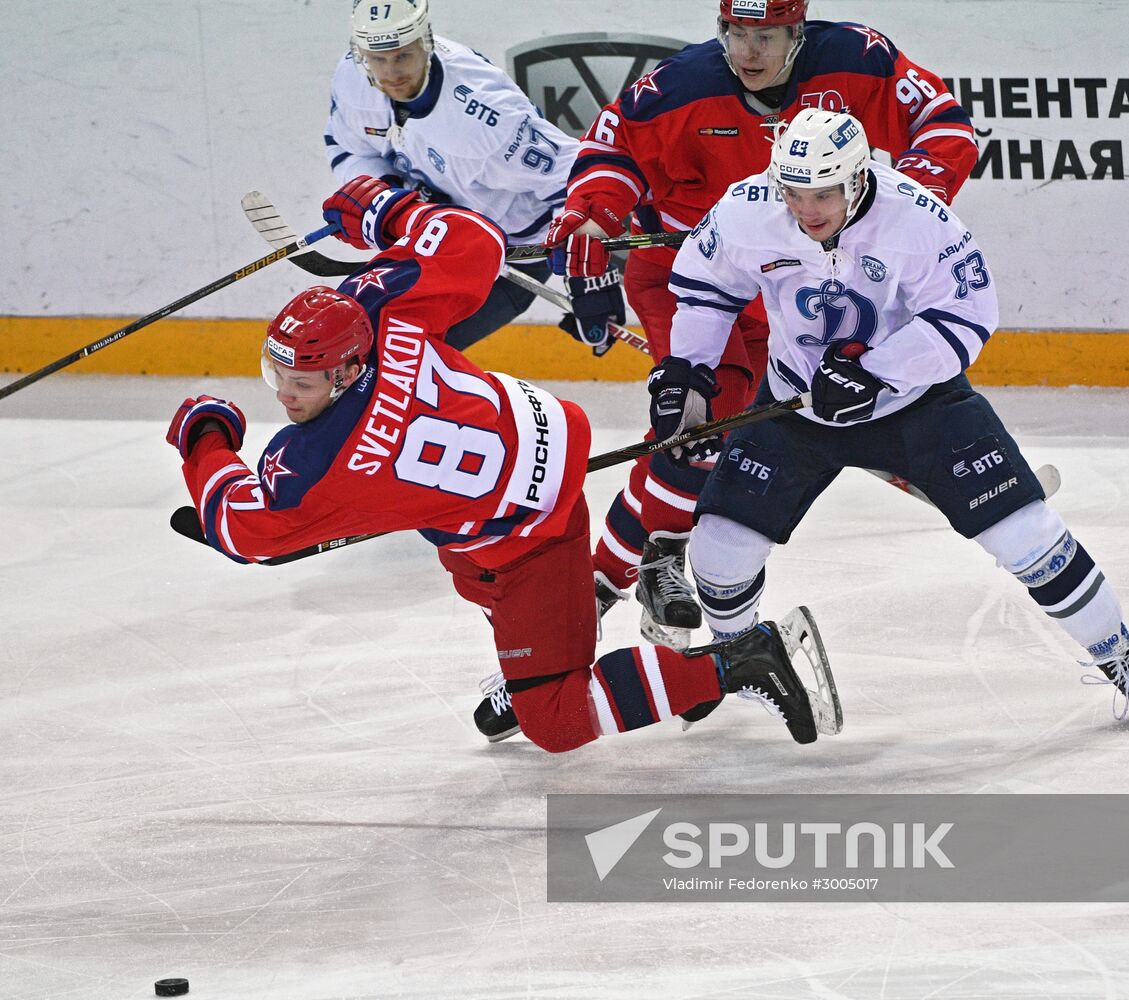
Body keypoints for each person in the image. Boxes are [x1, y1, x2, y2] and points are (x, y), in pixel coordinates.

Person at [164, 177, 841, 751]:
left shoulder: (321, 462)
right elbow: (475, 243)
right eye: (276, 374)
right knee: (472, 572)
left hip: (523, 538)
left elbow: (242, 527)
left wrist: (205, 436)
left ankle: (736, 663)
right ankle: (583, 663)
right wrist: (382, 209)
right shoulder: (378, 311)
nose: (284, 396)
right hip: (541, 445)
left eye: (302, 384)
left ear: (344, 370)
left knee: (555, 718)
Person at [648, 107, 1129, 726]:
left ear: (855, 179)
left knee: (1027, 535)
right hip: (795, 404)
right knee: (718, 552)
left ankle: (1120, 655)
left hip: (916, 403)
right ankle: (738, 662)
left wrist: (879, 371)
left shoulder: (917, 219)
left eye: (822, 193)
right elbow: (704, 291)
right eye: (794, 193)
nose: (806, 209)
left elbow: (967, 316)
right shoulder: (751, 209)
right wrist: (687, 373)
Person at [546, 0, 979, 649]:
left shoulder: (858, 60)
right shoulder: (676, 88)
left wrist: (905, 199)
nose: (747, 51)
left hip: (788, 280)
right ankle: (632, 572)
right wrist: (594, 214)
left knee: (737, 431)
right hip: (687, 275)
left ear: (796, 33)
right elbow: (609, 150)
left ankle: (628, 568)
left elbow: (944, 125)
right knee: (699, 425)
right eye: (734, 33)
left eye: (765, 36)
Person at [323, 0, 624, 353]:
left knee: (408, 356)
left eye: (402, 56)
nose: (390, 73)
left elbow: (578, 176)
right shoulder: (352, 80)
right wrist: (381, 195)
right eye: (378, 59)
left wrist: (591, 277)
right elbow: (348, 148)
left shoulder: (489, 120)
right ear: (361, 54)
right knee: (362, 342)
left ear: (426, 42)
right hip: (431, 239)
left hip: (511, 257)